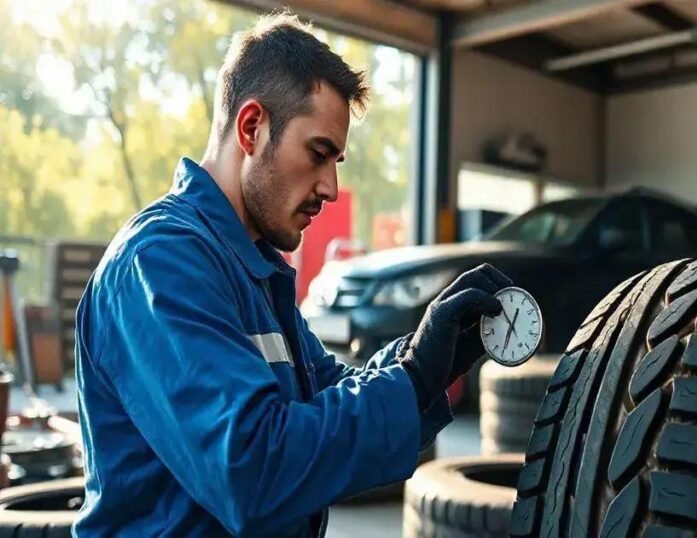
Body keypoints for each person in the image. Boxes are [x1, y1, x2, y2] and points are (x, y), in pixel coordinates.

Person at [73, 13, 510, 537]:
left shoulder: (252, 271)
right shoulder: (159, 263)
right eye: (318, 154)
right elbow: (251, 468)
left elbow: (324, 393)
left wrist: (423, 364)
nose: (330, 187)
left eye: (337, 161)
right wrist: (412, 378)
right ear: (252, 127)